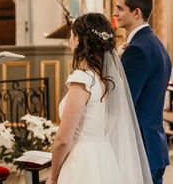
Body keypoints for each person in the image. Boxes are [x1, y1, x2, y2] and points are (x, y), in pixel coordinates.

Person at [46, 13, 153, 184]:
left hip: (81, 163)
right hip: (104, 157)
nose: (70, 40)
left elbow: (62, 140)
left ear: (80, 40)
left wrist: (52, 177)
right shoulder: (108, 81)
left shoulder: (81, 80)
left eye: (72, 35)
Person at [115, 0, 172, 184]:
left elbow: (123, 103)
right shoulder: (156, 44)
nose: (116, 14)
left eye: (120, 8)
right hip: (154, 143)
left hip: (141, 149)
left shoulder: (137, 50)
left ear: (136, 12)